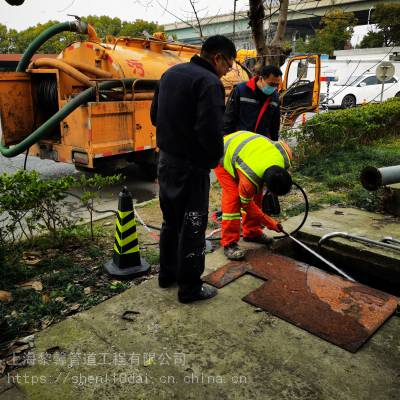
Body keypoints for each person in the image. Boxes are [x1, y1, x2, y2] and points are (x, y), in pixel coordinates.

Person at [150, 35, 236, 303]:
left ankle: (168, 275)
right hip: (192, 168)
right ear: (218, 57)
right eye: (229, 65)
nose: (227, 71)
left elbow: (154, 115)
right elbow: (210, 131)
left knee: (171, 222)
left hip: (166, 163)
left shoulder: (170, 74)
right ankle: (189, 288)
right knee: (193, 226)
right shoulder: (209, 82)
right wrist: (212, 161)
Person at [214, 130, 293, 260]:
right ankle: (229, 243)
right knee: (233, 198)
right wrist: (270, 222)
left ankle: (252, 232)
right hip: (223, 151)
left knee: (257, 195)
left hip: (246, 148)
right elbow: (247, 205)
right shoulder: (250, 178)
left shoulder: (285, 156)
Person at [223, 65, 283, 140]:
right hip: (240, 141)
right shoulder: (241, 91)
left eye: (277, 85)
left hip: (260, 144)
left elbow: (274, 126)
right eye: (271, 84)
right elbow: (229, 117)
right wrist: (225, 138)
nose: (274, 88)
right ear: (261, 79)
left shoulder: (274, 98)